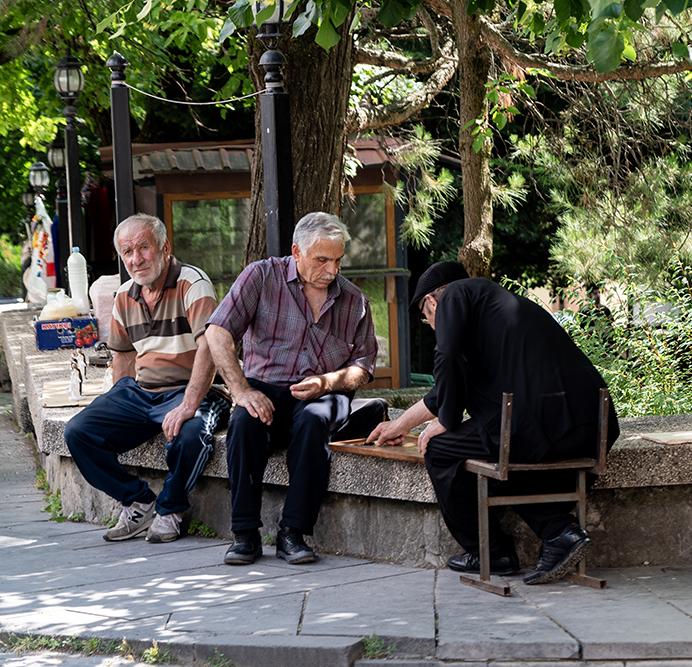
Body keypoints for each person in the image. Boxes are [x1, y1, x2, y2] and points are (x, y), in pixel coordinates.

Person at [367, 262, 620, 585]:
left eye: (426, 316)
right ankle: (558, 532)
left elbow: (446, 361)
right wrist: (400, 423)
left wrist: (447, 420)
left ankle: (497, 551)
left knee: (441, 449)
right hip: (592, 425)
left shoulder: (456, 295)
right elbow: (444, 390)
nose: (432, 326)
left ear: (432, 302)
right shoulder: (494, 318)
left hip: (539, 426)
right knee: (495, 457)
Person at [207, 212, 382, 566]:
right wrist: (241, 391)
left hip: (325, 390)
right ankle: (244, 534)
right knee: (243, 422)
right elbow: (217, 332)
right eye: (322, 259)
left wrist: (327, 383)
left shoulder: (354, 300)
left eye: (337, 259)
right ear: (296, 252)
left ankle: (293, 533)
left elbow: (363, 368)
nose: (331, 270)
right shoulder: (261, 276)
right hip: (264, 385)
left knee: (314, 420)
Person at [65, 214, 229, 543]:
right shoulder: (125, 295)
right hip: (142, 392)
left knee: (191, 433)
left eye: (144, 248)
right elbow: (124, 358)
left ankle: (170, 509)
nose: (136, 259)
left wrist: (187, 405)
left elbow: (208, 350)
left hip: (193, 388)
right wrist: (111, 403)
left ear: (164, 248)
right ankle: (138, 501)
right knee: (78, 431)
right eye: (127, 252)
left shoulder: (192, 283)